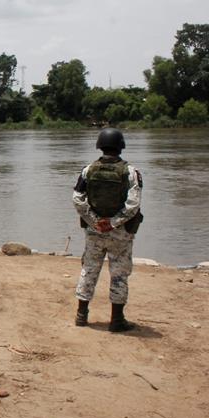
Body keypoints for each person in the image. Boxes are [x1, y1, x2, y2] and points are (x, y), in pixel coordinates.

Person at [73, 127, 143, 333]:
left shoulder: (88, 170)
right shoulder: (131, 172)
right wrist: (113, 222)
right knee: (119, 273)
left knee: (89, 269)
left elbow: (77, 199)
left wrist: (95, 221)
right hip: (121, 233)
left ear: (100, 146)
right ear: (121, 146)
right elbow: (133, 205)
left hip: (94, 231)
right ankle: (117, 320)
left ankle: (81, 315)